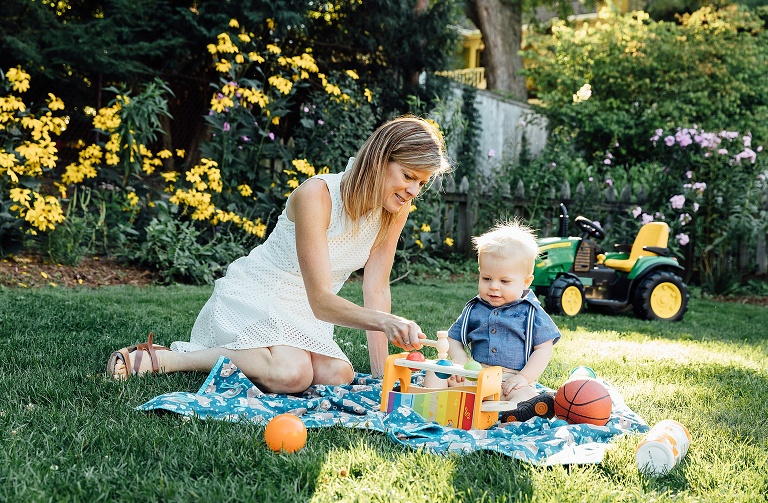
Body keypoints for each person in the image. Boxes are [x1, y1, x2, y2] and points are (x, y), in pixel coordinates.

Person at [107, 116, 451, 393]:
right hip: (260, 293)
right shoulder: (316, 195)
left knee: (339, 375)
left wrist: (381, 379)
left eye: (421, 183)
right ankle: (170, 359)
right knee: (292, 374)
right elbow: (321, 300)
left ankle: (272, 359)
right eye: (407, 176)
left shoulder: (395, 209)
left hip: (306, 313)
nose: (412, 191)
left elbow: (376, 289)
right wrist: (386, 323)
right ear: (379, 160)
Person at [423, 220, 561, 423]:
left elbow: (543, 348)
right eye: (487, 279)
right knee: (437, 372)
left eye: (504, 281)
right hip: (474, 376)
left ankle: (513, 414)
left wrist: (524, 378)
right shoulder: (475, 309)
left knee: (525, 395)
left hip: (509, 381)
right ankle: (433, 408)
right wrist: (460, 364)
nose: (494, 287)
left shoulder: (531, 312)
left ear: (526, 282)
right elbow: (453, 339)